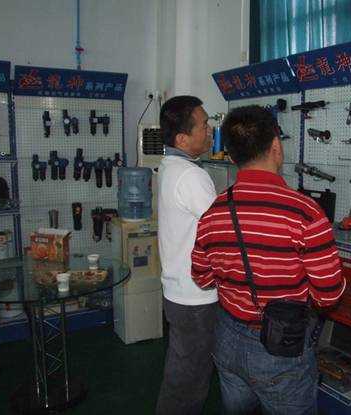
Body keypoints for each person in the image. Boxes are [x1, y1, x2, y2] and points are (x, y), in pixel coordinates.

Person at [191, 105, 346, 414]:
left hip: (226, 338)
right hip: (280, 346)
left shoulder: (213, 212)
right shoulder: (305, 212)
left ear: (232, 157)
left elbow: (202, 277)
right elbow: (329, 295)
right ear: (276, 146)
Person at [156, 95, 218, 414]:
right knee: (188, 382)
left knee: (183, 371)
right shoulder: (192, 176)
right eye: (204, 125)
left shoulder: (170, 167)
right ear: (182, 139)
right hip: (195, 297)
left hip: (178, 291)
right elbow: (221, 231)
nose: (210, 130)